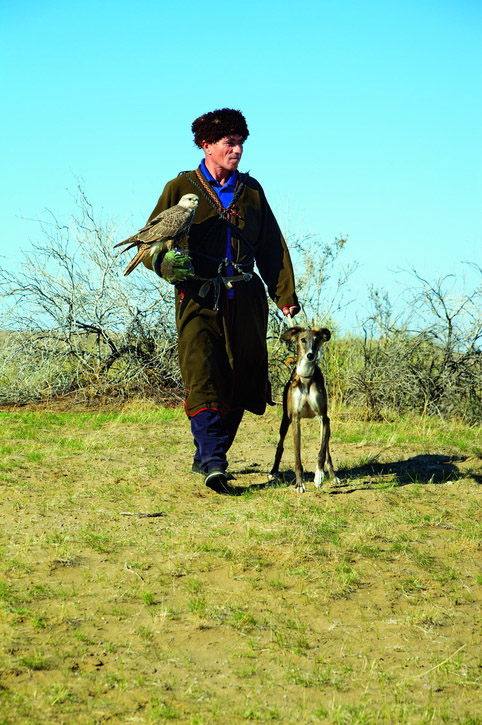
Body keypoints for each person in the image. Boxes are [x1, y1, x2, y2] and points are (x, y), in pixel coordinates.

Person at [142, 108, 299, 493]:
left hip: (245, 298)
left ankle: (208, 454)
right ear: (206, 145)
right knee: (203, 373)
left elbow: (272, 246)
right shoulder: (179, 188)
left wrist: (285, 295)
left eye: (241, 143)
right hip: (198, 296)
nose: (238, 150)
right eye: (230, 143)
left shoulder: (252, 191)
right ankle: (215, 461)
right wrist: (165, 265)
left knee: (241, 378)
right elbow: (149, 244)